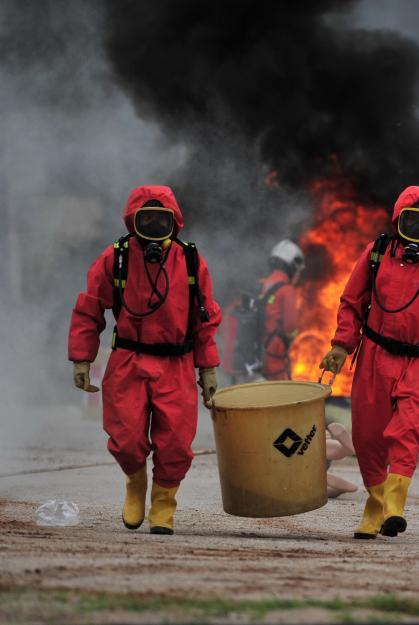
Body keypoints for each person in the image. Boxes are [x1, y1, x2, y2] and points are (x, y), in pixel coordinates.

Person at [319, 185, 419, 539]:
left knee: (408, 430)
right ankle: (376, 505)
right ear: (398, 220)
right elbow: (352, 300)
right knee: (368, 437)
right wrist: (341, 344)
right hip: (375, 357)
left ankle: (394, 506)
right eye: (412, 222)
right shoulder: (377, 253)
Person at [68, 185, 221, 535]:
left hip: (177, 365)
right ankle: (135, 484)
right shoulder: (115, 258)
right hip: (128, 361)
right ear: (132, 221)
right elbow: (89, 308)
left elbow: (205, 319)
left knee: (177, 444)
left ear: (175, 222)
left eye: (160, 218)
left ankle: (164, 504)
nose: (153, 225)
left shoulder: (191, 260)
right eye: (145, 218)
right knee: (125, 439)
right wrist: (82, 358)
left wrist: (208, 369)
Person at [259, 240, 304, 380]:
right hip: (274, 362)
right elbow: (290, 327)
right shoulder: (286, 290)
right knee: (282, 398)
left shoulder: (260, 285)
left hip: (255, 359)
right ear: (290, 266)